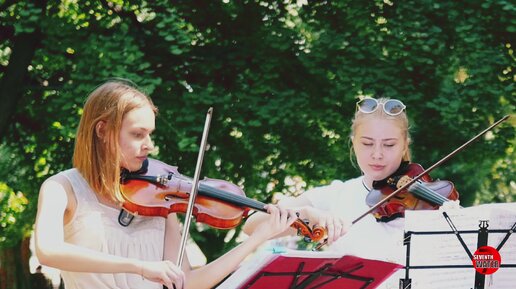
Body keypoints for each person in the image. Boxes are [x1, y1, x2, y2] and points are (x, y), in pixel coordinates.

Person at [34, 79, 297, 289]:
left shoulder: (160, 200)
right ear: (102, 130)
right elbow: (48, 251)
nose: (149, 145)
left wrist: (257, 240)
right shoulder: (62, 188)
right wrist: (139, 266)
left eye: (150, 134)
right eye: (137, 134)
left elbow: (189, 282)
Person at [243, 97, 437, 289]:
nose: (377, 154)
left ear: (404, 145)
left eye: (389, 145)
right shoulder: (336, 195)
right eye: (367, 143)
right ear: (353, 143)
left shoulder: (428, 204)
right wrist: (305, 214)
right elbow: (252, 226)